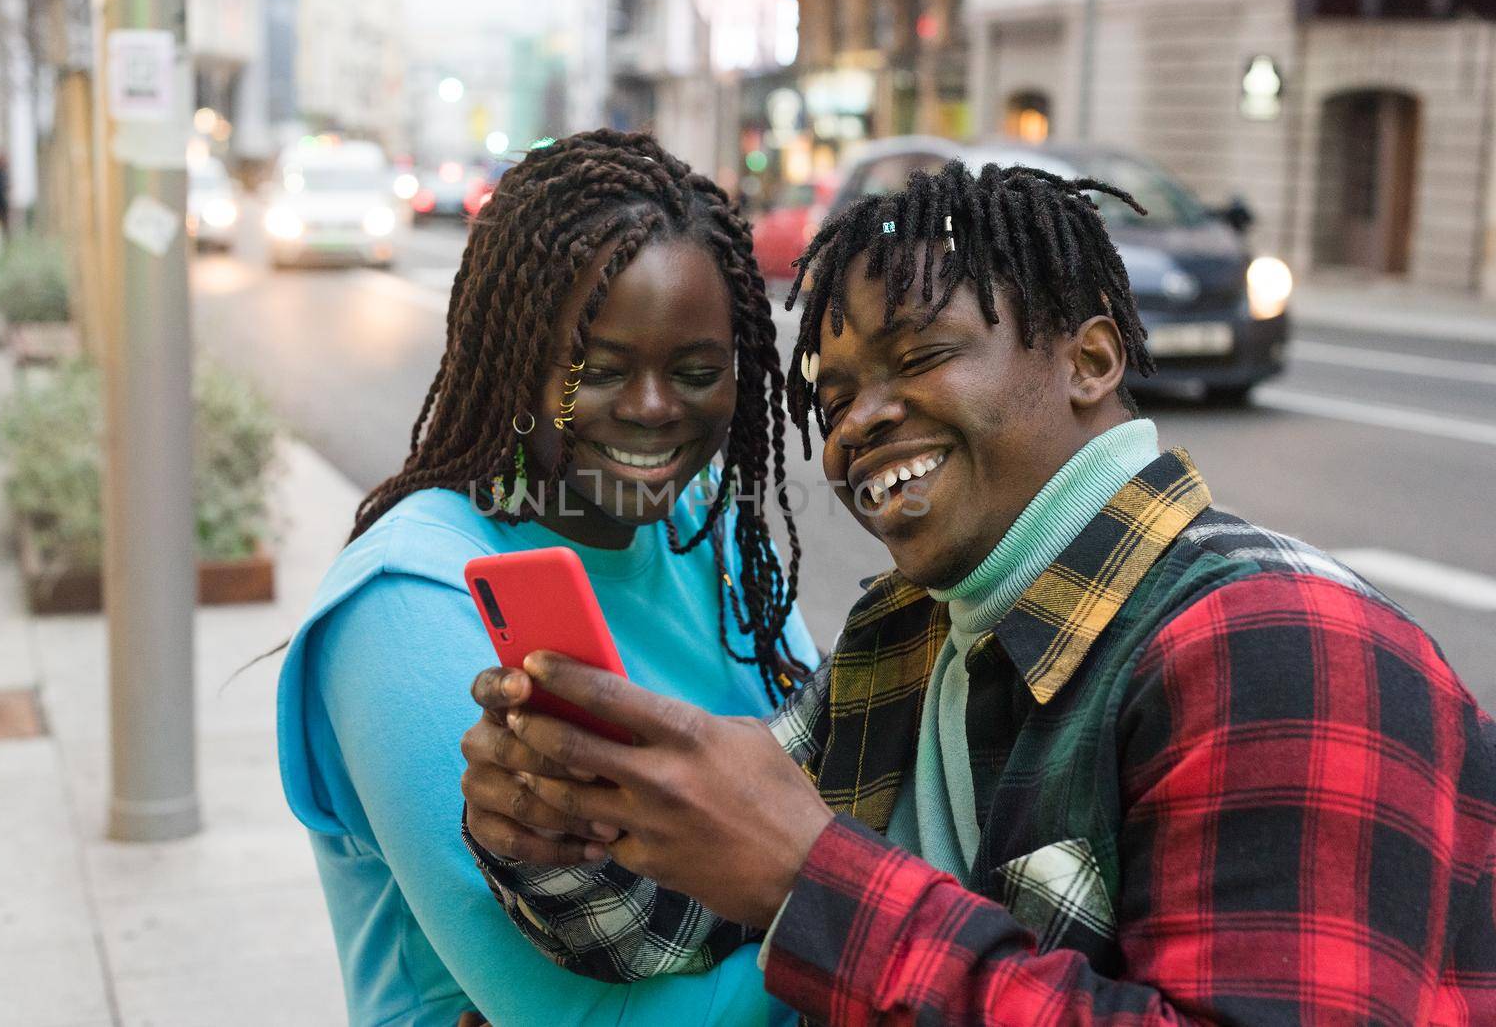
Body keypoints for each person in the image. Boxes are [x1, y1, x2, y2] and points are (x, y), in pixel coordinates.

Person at [460, 160, 1496, 1024]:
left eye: (919, 356)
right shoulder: (907, 637)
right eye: (832, 399)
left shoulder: (1278, 643)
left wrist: (810, 877)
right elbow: (668, 923)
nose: (859, 422)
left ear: (1090, 360)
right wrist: (555, 839)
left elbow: (791, 878)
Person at [274, 130, 819, 1026]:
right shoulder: (408, 601)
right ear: (518, 360)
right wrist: (870, 936)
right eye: (598, 371)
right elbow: (586, 1018)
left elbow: (833, 784)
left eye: (695, 371)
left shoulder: (704, 520)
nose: (652, 410)